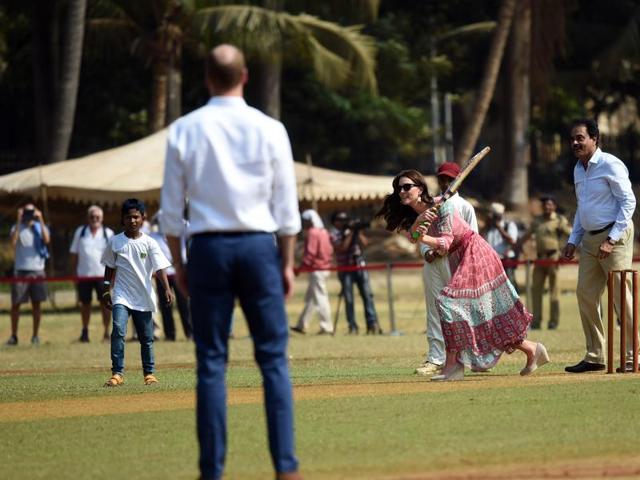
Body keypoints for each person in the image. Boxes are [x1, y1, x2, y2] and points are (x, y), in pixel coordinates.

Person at [158, 44, 302, 480]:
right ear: (244, 76)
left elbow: (169, 210)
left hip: (208, 249)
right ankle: (286, 469)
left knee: (211, 364)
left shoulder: (183, 129)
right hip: (258, 246)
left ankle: (211, 472)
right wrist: (287, 263)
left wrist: (179, 266)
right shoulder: (271, 127)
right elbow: (286, 207)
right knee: (273, 360)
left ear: (206, 78)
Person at [376, 170, 549, 381]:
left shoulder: (445, 205)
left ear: (420, 189)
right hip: (458, 258)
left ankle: (452, 367)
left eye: (406, 187)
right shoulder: (418, 215)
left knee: (450, 305)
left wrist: (424, 236)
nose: (401, 192)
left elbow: (445, 244)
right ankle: (532, 349)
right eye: (398, 188)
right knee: (478, 315)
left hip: (475, 253)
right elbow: (413, 238)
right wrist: (419, 222)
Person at [562, 118, 637, 373]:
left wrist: (612, 239)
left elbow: (628, 203)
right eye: (573, 138)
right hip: (590, 239)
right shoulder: (578, 169)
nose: (575, 142)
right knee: (585, 292)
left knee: (620, 297)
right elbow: (582, 209)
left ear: (595, 139)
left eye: (580, 137)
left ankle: (633, 356)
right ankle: (595, 356)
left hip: (614, 238)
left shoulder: (610, 164)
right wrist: (573, 240)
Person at [101, 198, 173, 387]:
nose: (132, 221)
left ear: (142, 219)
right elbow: (109, 267)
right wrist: (105, 290)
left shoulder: (150, 243)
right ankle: (117, 373)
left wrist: (167, 288)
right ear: (122, 219)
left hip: (143, 296)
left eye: (136, 217)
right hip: (121, 295)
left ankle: (149, 374)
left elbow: (159, 268)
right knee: (118, 330)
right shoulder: (115, 241)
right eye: (128, 217)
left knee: (146, 338)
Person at [416, 162, 478, 376]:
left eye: (449, 178)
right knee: (434, 309)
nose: (445, 182)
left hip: (455, 261)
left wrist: (466, 263)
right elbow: (421, 234)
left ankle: (469, 357)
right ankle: (435, 358)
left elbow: (473, 238)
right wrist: (428, 252)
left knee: (459, 310)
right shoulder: (432, 205)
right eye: (442, 178)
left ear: (457, 179)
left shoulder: (465, 207)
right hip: (433, 263)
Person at [516, 195, 572, 330]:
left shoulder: (559, 220)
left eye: (550, 204)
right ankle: (536, 322)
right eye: (545, 205)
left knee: (554, 292)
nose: (547, 207)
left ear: (554, 206)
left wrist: (568, 249)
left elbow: (571, 234)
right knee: (536, 291)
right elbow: (526, 236)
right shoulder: (537, 221)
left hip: (553, 258)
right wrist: (516, 245)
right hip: (539, 259)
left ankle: (553, 322)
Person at [329, 210, 381, 335]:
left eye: (345, 220)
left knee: (367, 296)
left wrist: (357, 232)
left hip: (359, 266)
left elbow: (365, 243)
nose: (343, 222)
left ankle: (372, 323)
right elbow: (342, 248)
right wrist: (350, 234)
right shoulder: (333, 234)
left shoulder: (353, 232)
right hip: (345, 269)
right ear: (335, 222)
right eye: (340, 220)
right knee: (349, 298)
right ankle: (352, 326)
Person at [6, 203, 50, 346]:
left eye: (31, 211)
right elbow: (13, 242)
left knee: (36, 305)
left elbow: (47, 239)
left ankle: (35, 336)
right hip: (20, 270)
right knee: (16, 304)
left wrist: (41, 219)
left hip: (37, 270)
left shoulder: (39, 226)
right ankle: (14, 336)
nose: (29, 214)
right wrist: (19, 220)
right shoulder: (17, 226)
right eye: (27, 211)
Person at [69, 205, 114, 342]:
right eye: (92, 217)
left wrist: (113, 277)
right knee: (85, 304)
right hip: (84, 275)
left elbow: (114, 257)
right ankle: (85, 332)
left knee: (105, 304)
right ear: (88, 218)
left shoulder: (109, 233)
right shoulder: (80, 232)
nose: (95, 219)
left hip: (103, 276)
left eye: (98, 217)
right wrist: (73, 273)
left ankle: (106, 333)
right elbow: (74, 254)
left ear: (102, 218)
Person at [291, 210, 334, 335]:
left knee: (320, 298)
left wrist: (301, 268)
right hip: (325, 268)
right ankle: (302, 324)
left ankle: (327, 326)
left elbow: (310, 253)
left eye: (305, 221)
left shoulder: (312, 233)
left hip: (317, 269)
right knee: (311, 298)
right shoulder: (324, 232)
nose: (303, 223)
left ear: (310, 220)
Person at [149, 216, 192, 341]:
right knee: (165, 305)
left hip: (179, 272)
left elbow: (188, 224)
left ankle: (189, 332)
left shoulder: (181, 234)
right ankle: (170, 334)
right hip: (163, 275)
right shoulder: (153, 237)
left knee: (183, 304)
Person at [483, 202, 519, 290]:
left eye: (494, 215)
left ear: (499, 215)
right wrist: (486, 226)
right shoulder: (489, 228)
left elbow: (512, 241)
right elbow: (479, 239)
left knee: (509, 287)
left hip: (505, 260)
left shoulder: (508, 225)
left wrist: (499, 228)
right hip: (491, 261)